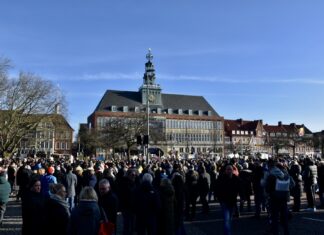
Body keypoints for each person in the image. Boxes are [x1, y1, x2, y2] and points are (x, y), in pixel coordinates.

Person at [265, 160, 294, 235]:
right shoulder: (285, 173)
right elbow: (292, 184)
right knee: (284, 217)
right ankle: (286, 232)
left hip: (273, 198)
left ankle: (275, 232)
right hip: (283, 198)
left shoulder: (270, 174)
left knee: (274, 217)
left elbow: (267, 188)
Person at [215, 164, 240, 235]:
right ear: (225, 171)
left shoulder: (236, 178)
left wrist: (242, 197)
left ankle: (228, 232)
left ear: (233, 170)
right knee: (226, 219)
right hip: (224, 201)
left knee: (229, 219)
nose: (229, 171)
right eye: (227, 169)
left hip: (232, 202)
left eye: (230, 169)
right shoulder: (221, 178)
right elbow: (216, 188)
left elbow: (241, 187)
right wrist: (218, 197)